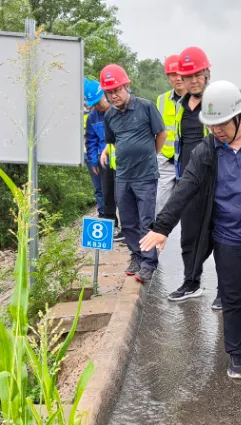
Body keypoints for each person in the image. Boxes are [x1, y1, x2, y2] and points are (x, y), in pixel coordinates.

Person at [139, 80, 241, 379]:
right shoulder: (207, 151)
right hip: (230, 241)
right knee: (233, 299)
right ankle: (237, 354)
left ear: (239, 116)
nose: (217, 130)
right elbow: (185, 188)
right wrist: (162, 227)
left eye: (222, 123)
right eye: (211, 125)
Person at [99, 64, 167, 284]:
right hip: (123, 176)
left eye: (117, 89)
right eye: (109, 92)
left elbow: (161, 133)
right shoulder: (110, 116)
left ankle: (148, 263)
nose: (114, 95)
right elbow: (111, 142)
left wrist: (151, 155)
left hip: (146, 175)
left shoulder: (145, 107)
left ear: (126, 85)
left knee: (146, 220)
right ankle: (136, 256)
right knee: (127, 220)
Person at [167, 46, 220, 310]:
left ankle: (225, 289)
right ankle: (192, 282)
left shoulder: (217, 101)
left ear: (207, 74)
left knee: (222, 235)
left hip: (217, 181)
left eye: (198, 74)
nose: (193, 80)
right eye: (188, 76)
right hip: (188, 180)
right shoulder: (181, 106)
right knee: (189, 234)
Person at [84, 78, 122, 240]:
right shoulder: (93, 117)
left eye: (99, 102)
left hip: (122, 159)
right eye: (95, 104)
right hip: (103, 161)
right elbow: (91, 139)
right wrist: (93, 160)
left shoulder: (119, 111)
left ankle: (128, 228)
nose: (98, 107)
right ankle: (109, 225)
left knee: (123, 193)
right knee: (105, 194)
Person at [154, 54, 186, 214]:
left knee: (189, 206)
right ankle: (161, 237)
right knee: (161, 205)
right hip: (165, 160)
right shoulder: (161, 100)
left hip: (189, 161)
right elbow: (155, 130)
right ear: (168, 78)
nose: (178, 78)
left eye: (181, 73)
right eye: (173, 74)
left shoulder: (197, 99)